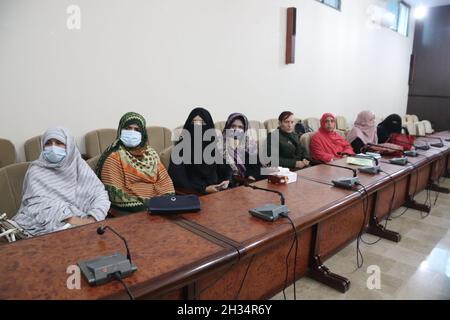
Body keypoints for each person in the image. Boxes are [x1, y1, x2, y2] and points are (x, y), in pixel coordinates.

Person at [13, 127, 110, 236]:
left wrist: (94, 218)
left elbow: (100, 194)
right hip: (49, 229)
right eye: (48, 143)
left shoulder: (80, 166)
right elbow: (37, 206)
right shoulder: (36, 171)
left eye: (59, 143)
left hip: (87, 226)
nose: (53, 147)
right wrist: (74, 220)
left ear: (69, 146)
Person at [96, 112, 175, 212]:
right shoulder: (114, 156)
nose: (132, 132)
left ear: (143, 133)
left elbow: (164, 180)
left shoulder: (151, 153)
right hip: (132, 210)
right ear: (120, 130)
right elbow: (116, 194)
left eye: (137, 130)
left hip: (160, 205)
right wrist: (147, 207)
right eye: (128, 128)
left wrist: (167, 199)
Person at [168, 107, 232, 194]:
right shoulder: (180, 150)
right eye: (194, 122)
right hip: (193, 195)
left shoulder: (211, 147)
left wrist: (227, 180)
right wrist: (204, 189)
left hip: (216, 193)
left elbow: (226, 168)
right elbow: (178, 180)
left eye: (202, 123)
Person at [222, 113, 262, 186]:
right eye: (233, 126)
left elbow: (256, 166)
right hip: (228, 183)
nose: (236, 129)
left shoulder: (249, 143)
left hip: (248, 182)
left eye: (240, 127)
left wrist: (251, 178)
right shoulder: (219, 144)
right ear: (228, 127)